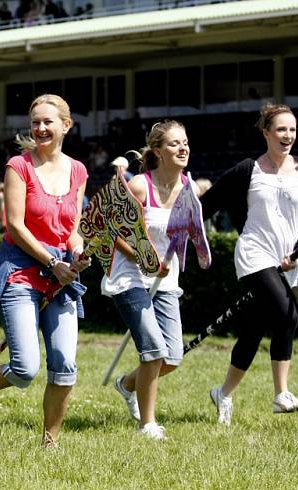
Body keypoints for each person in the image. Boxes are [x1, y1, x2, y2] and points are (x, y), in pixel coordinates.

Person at [0, 94, 91, 448]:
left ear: (66, 125)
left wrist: (77, 252)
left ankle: (50, 443)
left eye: (48, 122)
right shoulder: (19, 166)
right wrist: (52, 263)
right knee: (26, 368)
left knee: (64, 365)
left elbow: (72, 228)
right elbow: (15, 226)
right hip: (21, 273)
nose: (40, 128)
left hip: (61, 277)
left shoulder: (78, 171)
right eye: (35, 122)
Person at [200, 103, 298, 425]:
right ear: (266, 132)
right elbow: (207, 205)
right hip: (255, 253)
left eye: (292, 130)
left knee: (254, 328)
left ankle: (223, 393)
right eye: (281, 129)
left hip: (288, 260)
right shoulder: (248, 170)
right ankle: (281, 393)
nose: (288, 136)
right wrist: (179, 236)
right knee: (287, 313)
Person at [105, 121, 196, 441]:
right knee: (154, 352)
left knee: (173, 357)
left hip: (165, 281)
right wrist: (143, 258)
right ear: (158, 151)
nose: (182, 148)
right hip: (129, 277)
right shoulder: (141, 186)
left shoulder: (189, 188)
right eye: (174, 144)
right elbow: (112, 231)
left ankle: (127, 384)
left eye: (185, 142)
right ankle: (148, 424)